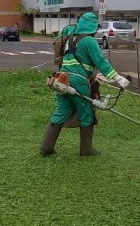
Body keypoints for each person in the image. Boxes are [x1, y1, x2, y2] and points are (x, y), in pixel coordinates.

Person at [40, 12, 130, 156]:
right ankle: (86, 150)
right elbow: (100, 61)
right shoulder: (89, 41)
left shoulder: (71, 38)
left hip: (62, 79)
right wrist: (118, 78)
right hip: (78, 82)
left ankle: (46, 148)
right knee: (86, 113)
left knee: (60, 113)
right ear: (93, 27)